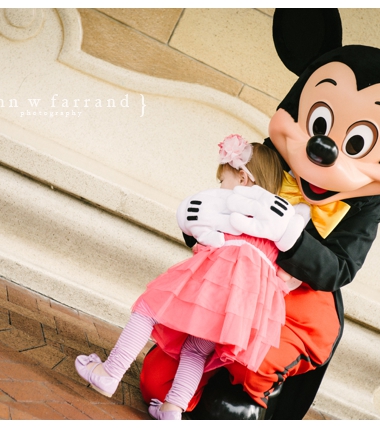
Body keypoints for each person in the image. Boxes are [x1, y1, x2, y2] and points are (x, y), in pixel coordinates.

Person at [75, 135, 307, 419]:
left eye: (223, 181)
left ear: (244, 179)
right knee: (197, 348)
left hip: (219, 275)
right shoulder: (278, 223)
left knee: (149, 308)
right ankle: (173, 408)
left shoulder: (235, 204)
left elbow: (202, 229)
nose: (220, 188)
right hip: (245, 304)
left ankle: (110, 372)